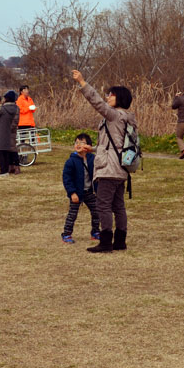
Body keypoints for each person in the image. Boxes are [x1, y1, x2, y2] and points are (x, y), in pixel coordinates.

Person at [71, 69, 136, 253]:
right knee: (118, 206)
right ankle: (120, 241)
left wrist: (82, 83)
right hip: (121, 169)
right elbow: (113, 146)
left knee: (103, 205)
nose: (108, 97)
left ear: (120, 98)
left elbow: (96, 102)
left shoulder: (115, 115)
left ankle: (106, 241)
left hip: (109, 170)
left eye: (111, 95)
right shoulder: (127, 118)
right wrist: (92, 149)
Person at [60, 133, 101, 244]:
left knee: (96, 211)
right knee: (72, 214)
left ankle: (95, 231)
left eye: (81, 142)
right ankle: (67, 234)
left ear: (88, 146)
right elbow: (67, 179)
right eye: (76, 142)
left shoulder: (93, 158)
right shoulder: (71, 161)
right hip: (77, 192)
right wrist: (72, 193)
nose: (78, 145)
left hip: (90, 192)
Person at [0, 90, 19, 176]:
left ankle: (3, 171)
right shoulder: (16, 108)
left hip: (0, 131)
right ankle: (7, 169)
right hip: (10, 132)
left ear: (6, 99)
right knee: (6, 151)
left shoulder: (2, 109)